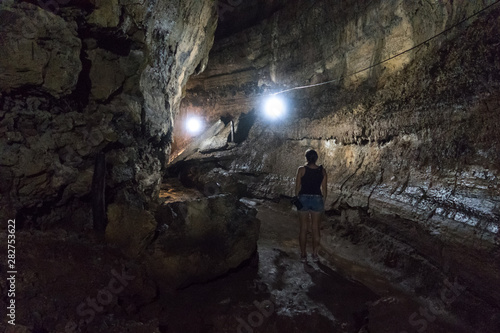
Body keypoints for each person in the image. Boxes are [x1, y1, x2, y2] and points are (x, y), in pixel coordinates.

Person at [294, 149, 327, 263]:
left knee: (303, 228)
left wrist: (296, 198)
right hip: (317, 199)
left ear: (306, 158)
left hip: (303, 198)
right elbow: (324, 189)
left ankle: (303, 255)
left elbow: (297, 187)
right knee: (315, 229)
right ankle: (315, 255)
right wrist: (323, 201)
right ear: (316, 158)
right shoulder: (322, 171)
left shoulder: (301, 169)